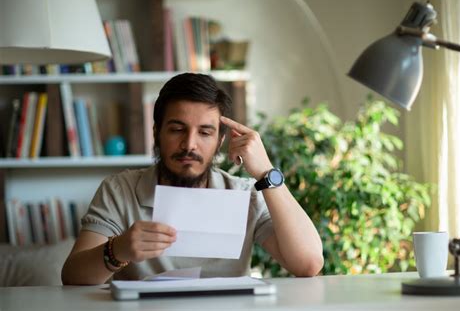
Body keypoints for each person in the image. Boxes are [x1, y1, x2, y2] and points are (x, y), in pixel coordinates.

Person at [62, 73, 323, 285]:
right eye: (177, 129)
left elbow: (308, 263)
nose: (189, 144)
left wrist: (266, 172)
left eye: (205, 133)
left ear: (220, 140)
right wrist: (117, 250)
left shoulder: (244, 195)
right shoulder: (119, 189)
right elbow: (72, 277)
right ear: (157, 132)